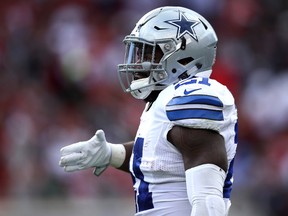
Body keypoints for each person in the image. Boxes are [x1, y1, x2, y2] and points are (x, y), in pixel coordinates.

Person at [59, 6, 238, 216]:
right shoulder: (166, 101)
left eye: (147, 52)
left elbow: (208, 203)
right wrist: (111, 154)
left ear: (182, 57)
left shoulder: (190, 99)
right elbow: (162, 156)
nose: (137, 62)